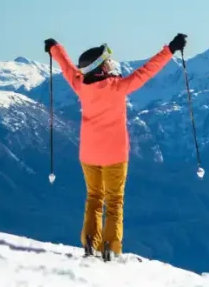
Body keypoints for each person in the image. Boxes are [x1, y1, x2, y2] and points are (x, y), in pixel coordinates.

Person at [44, 33, 187, 261]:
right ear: (101, 68)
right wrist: (170, 49)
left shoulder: (81, 86)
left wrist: (54, 48)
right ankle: (110, 249)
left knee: (94, 198)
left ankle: (90, 243)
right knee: (114, 202)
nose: (111, 63)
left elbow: (67, 67)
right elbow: (147, 71)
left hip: (88, 155)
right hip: (115, 155)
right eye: (107, 61)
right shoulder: (118, 87)